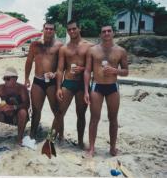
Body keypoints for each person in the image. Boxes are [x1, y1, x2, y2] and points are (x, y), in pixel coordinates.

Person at [84, 25, 129, 157]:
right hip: (97, 86)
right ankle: (91, 148)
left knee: (113, 119)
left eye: (109, 31)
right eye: (104, 31)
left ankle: (113, 148)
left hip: (112, 87)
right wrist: (86, 90)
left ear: (113, 33)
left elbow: (126, 71)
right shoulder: (92, 50)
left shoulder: (121, 51)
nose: (106, 33)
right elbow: (87, 70)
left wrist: (115, 71)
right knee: (94, 118)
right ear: (100, 34)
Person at [55, 20, 94, 148]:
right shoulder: (64, 49)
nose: (72, 31)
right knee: (60, 112)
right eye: (69, 29)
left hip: (82, 84)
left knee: (81, 114)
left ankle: (81, 142)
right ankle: (58, 137)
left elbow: (95, 67)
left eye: (74, 28)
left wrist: (83, 69)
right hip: (68, 82)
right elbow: (60, 69)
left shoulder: (89, 46)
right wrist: (58, 88)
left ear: (79, 28)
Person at [24, 22, 63, 139]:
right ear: (43, 29)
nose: (49, 31)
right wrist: (26, 77)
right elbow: (29, 61)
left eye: (51, 29)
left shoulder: (59, 46)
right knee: (36, 110)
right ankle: (33, 134)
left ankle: (57, 135)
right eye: (47, 29)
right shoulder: (35, 45)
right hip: (38, 80)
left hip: (52, 82)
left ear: (54, 31)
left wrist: (55, 74)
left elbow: (62, 66)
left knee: (56, 110)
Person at [0, 67, 30, 145]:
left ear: (15, 79)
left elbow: (27, 104)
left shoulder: (21, 88)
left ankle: (19, 138)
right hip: (3, 115)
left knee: (23, 112)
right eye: (4, 78)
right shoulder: (1, 88)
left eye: (7, 78)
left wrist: (13, 107)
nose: (5, 81)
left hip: (16, 117)